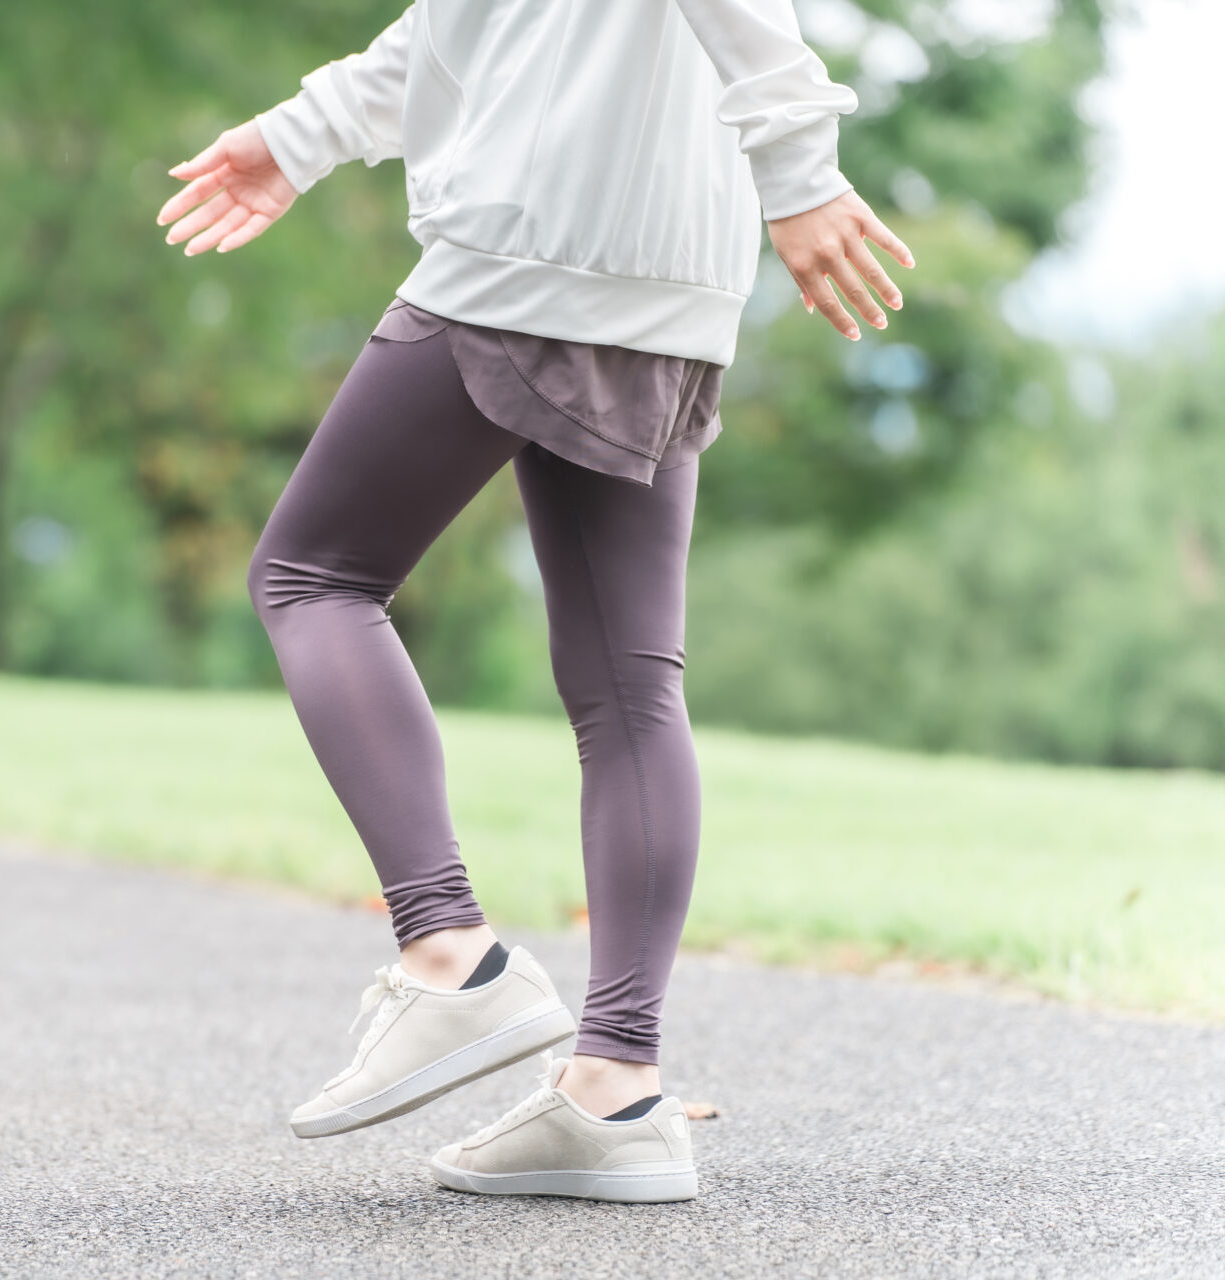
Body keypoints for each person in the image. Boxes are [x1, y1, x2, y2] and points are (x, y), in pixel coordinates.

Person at [154, 0, 912, 1203]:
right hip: (671, 282)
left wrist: (802, 171)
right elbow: (472, 30)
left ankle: (449, 946)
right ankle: (617, 1090)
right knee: (629, 684)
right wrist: (297, 137)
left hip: (533, 249)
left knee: (314, 576)